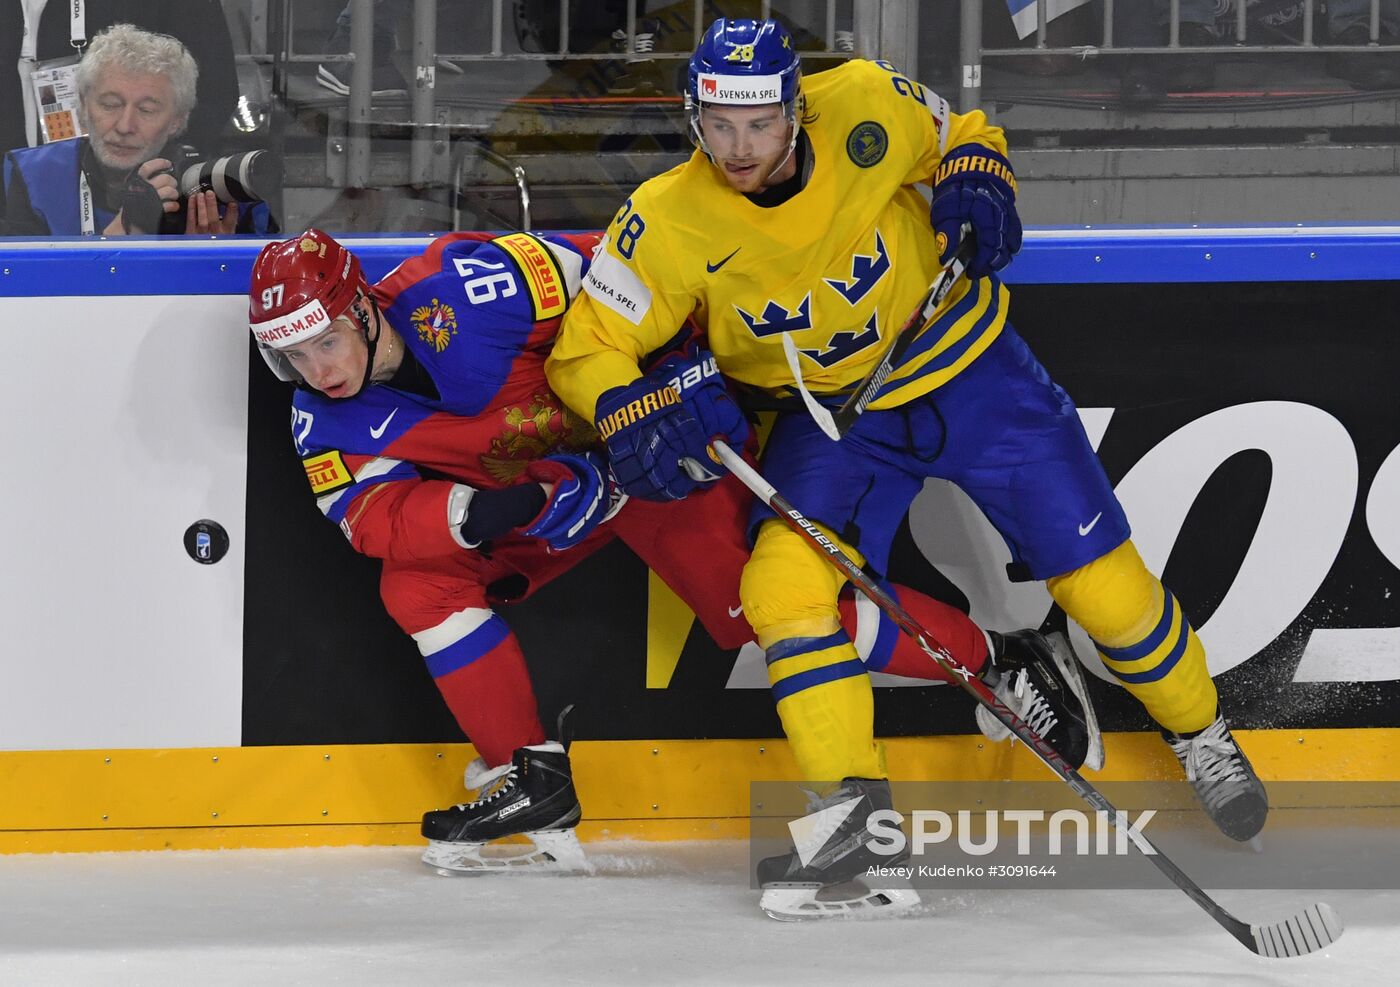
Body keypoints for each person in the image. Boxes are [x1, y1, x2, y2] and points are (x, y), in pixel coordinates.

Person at [545, 16, 1270, 901]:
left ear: (795, 111)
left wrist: (978, 174)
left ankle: (1200, 732)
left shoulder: (861, 102)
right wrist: (627, 406)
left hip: (973, 371)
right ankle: (855, 822)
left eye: (759, 125)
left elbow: (961, 133)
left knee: (1105, 591)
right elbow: (585, 349)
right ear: (695, 116)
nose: (738, 148)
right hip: (836, 418)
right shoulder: (663, 219)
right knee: (781, 589)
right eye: (719, 125)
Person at [247, 226, 1095, 900]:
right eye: (292, 357)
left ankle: (999, 660)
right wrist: (482, 511)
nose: (317, 371)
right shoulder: (323, 421)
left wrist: (677, 375)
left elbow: (613, 276)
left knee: (768, 612)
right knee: (417, 580)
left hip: (648, 458)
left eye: (324, 341)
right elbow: (371, 517)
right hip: (550, 497)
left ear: (359, 308)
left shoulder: (473, 286)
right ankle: (528, 772)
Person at [2, 23, 258, 236]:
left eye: (146, 110)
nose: (125, 126)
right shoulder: (33, 175)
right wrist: (125, 231)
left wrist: (215, 262)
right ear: (82, 104)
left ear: (178, 119)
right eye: (110, 105)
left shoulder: (218, 189)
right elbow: (22, 289)